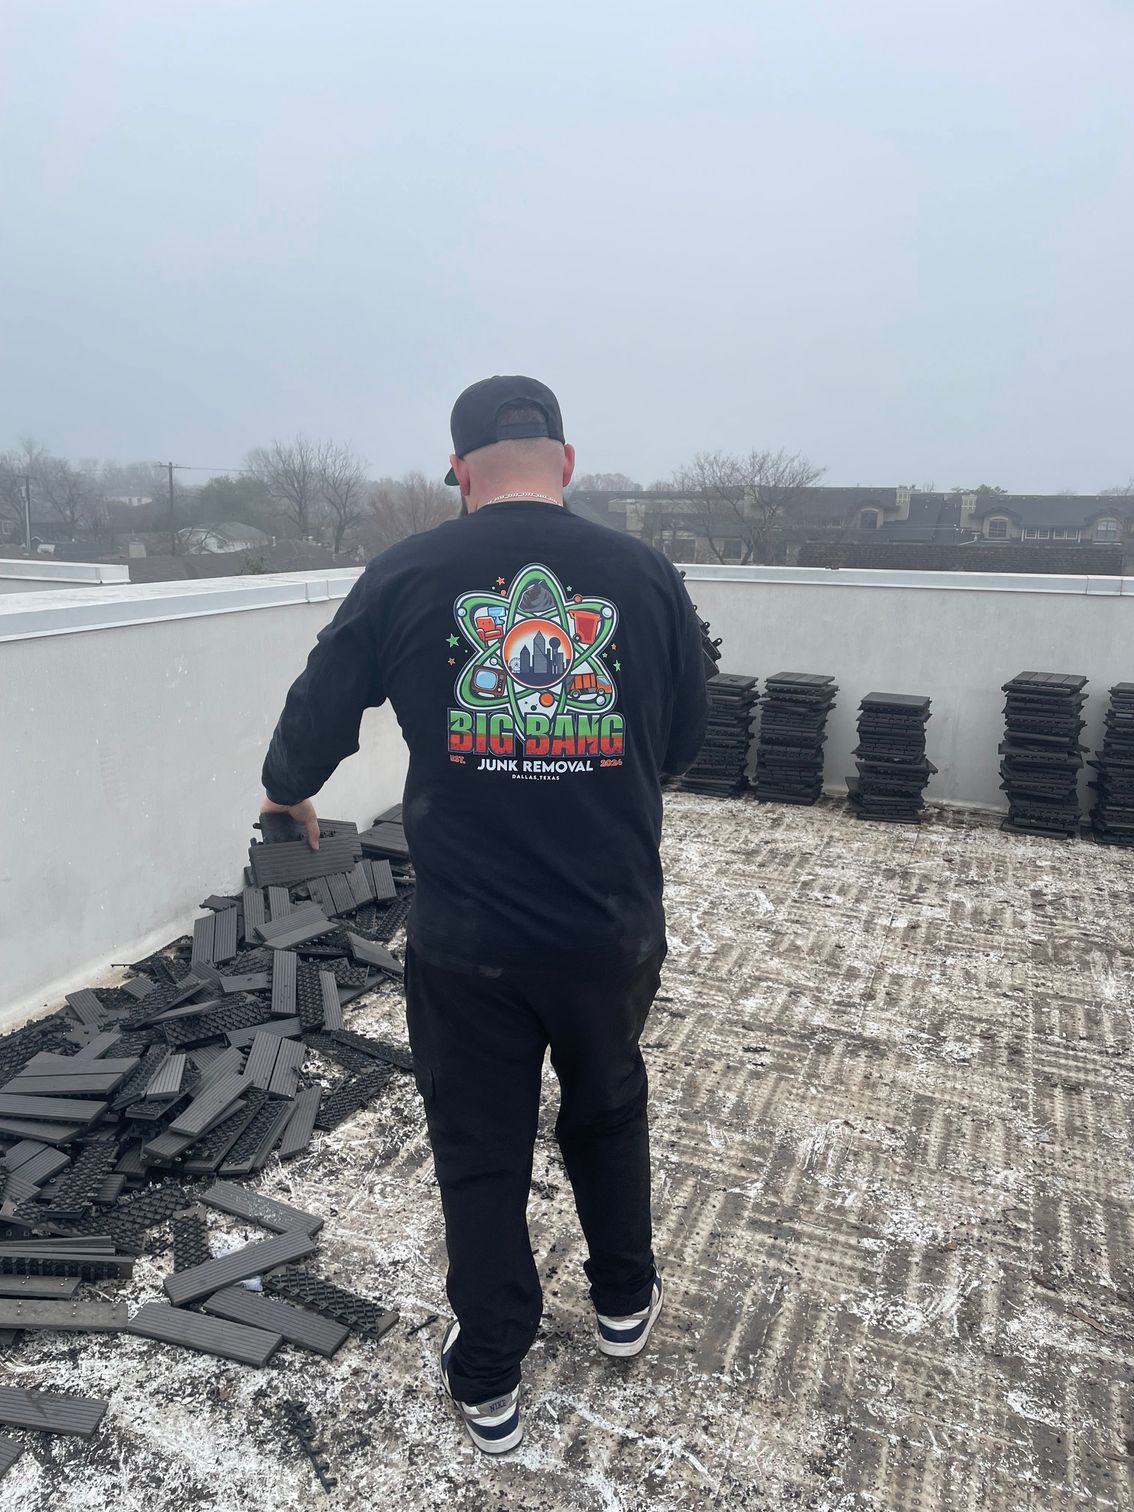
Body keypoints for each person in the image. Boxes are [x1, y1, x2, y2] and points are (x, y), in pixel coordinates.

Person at [261, 376, 709, 1454]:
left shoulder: (408, 573)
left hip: (470, 942)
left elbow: (319, 707)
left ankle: (493, 1368)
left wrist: (287, 788)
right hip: (610, 928)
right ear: (566, 460)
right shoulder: (646, 577)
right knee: (607, 1103)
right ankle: (621, 1302)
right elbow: (685, 740)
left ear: (458, 471)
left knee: (480, 1147)